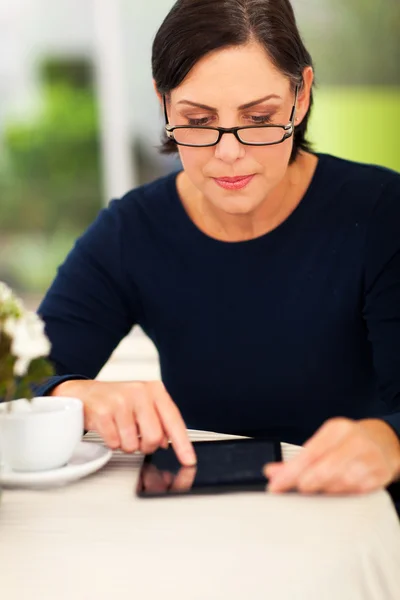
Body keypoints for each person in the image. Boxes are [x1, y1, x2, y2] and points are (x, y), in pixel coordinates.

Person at [35, 0, 400, 504]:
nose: (229, 152)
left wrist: (389, 442)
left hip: (353, 516)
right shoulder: (131, 231)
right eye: (199, 120)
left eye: (259, 116)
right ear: (164, 105)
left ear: (302, 95)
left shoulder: (382, 212)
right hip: (201, 525)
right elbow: (20, 377)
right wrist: (75, 396)